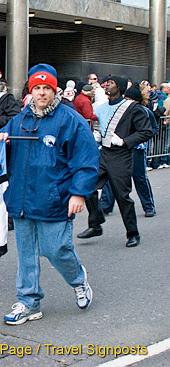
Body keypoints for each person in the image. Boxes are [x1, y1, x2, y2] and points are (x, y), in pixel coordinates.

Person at [0, 63, 99, 325]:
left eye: (46, 88)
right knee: (26, 253)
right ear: (31, 91)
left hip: (54, 199)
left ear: (55, 91)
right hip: (21, 200)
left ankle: (78, 280)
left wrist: (79, 194)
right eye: (37, 88)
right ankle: (29, 301)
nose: (41, 93)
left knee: (56, 249)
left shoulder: (69, 119)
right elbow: (2, 156)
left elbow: (86, 160)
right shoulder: (18, 121)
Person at [77, 76, 153, 248]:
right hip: (104, 153)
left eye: (110, 83)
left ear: (118, 87)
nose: (106, 86)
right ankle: (95, 224)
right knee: (87, 186)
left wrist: (125, 141)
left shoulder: (132, 108)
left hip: (121, 155)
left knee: (122, 196)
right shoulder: (102, 108)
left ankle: (133, 233)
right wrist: (98, 136)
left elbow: (146, 131)